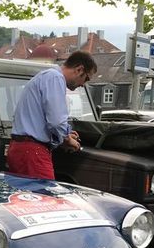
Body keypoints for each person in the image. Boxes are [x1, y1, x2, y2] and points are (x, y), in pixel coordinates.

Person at [6, 51, 97, 179]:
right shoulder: (55, 78)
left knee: (24, 197)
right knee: (45, 197)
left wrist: (63, 134)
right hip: (33, 152)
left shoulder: (45, 77)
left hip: (20, 149)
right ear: (79, 69)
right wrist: (67, 139)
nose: (83, 84)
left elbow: (45, 119)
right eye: (86, 78)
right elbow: (56, 122)